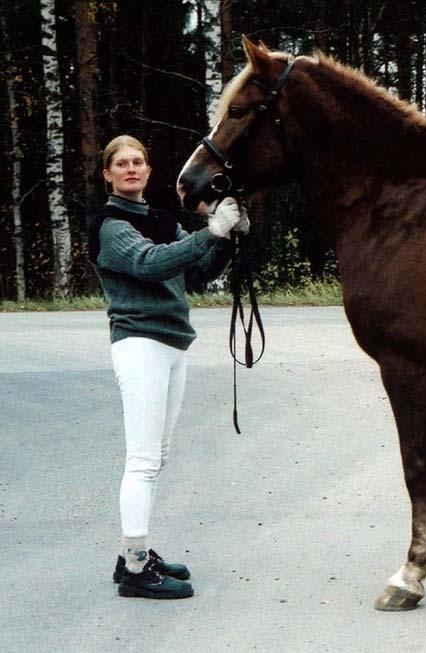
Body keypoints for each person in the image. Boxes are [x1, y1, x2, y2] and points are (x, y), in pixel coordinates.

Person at [87, 135, 248, 599]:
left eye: (138, 161)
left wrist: (229, 237)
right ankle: (136, 570)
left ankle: (133, 552)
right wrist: (211, 231)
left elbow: (194, 272)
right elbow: (149, 263)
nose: (131, 169)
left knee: (156, 458)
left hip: (173, 343)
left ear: (148, 170)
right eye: (122, 163)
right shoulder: (110, 224)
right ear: (108, 174)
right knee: (142, 460)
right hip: (140, 344)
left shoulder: (156, 219)